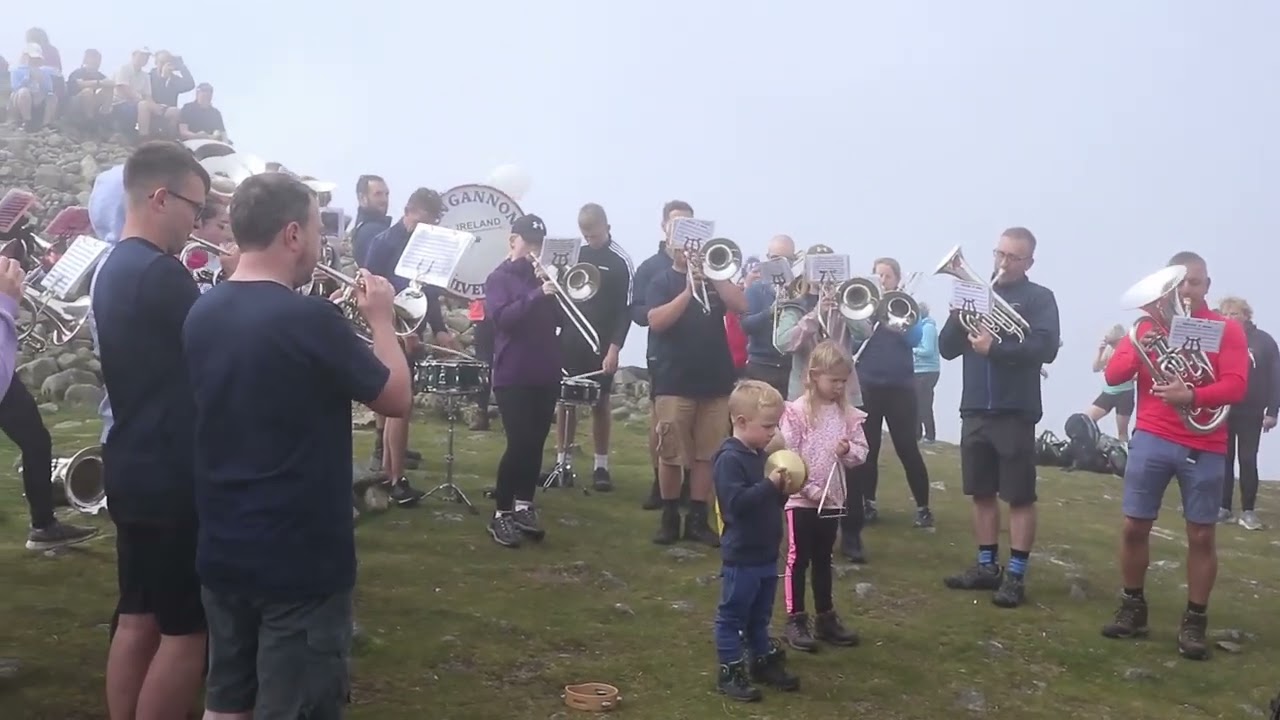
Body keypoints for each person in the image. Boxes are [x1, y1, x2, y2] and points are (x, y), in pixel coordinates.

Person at [183, 171, 412, 716]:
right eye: (315, 229)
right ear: (291, 235)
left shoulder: (202, 312)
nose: (319, 243)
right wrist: (381, 319)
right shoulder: (310, 318)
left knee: (226, 700)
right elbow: (396, 397)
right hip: (300, 558)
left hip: (223, 545)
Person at [94, 141, 211, 720]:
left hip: (131, 462)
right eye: (194, 207)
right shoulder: (163, 274)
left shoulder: (112, 266)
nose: (197, 222)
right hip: (172, 474)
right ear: (160, 197)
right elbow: (216, 359)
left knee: (138, 616)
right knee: (187, 632)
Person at [1100, 251, 1248, 659]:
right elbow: (1113, 376)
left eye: (1194, 283)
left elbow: (1236, 386)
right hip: (1152, 435)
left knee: (1201, 534)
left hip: (1205, 443)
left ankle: (1195, 621)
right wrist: (1140, 335)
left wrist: (1193, 395)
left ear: (1207, 286)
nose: (1186, 290)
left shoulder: (1227, 330)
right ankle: (1133, 607)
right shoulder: (1147, 328)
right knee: (1134, 526)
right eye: (1178, 283)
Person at [938, 227, 1060, 609]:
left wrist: (998, 348)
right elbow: (946, 349)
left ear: (1029, 262)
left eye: (1013, 257)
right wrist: (957, 318)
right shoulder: (974, 292)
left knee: (1020, 496)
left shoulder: (1039, 298)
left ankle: (1017, 575)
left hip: (1015, 409)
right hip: (975, 406)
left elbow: (1046, 348)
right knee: (981, 492)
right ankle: (986, 565)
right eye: (1000, 254)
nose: (1003, 263)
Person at [645, 220, 749, 546]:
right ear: (670, 246)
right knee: (671, 452)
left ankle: (698, 518)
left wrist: (714, 278)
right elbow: (656, 321)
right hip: (674, 380)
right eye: (682, 243)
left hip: (716, 380)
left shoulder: (715, 278)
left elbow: (742, 305)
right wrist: (688, 291)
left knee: (708, 454)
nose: (688, 249)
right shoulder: (662, 280)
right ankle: (670, 516)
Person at [774, 258, 872, 563]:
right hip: (804, 399)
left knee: (849, 470)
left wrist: (843, 307)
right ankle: (792, 532)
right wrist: (814, 316)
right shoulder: (795, 306)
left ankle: (851, 533)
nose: (824, 280)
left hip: (845, 398)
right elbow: (783, 343)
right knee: (797, 464)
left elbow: (866, 329)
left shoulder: (846, 300)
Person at [363, 188, 457, 503]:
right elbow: (370, 289)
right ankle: (395, 477)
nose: (429, 228)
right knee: (398, 405)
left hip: (412, 330)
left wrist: (440, 329)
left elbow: (427, 293)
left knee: (401, 408)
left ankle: (393, 475)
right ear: (411, 211)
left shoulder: (427, 244)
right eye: (426, 220)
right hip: (389, 331)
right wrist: (395, 331)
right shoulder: (383, 243)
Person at [712, 379, 799, 702]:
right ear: (741, 422)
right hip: (742, 556)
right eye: (767, 426)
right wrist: (768, 486)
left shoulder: (759, 456)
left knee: (760, 615)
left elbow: (765, 502)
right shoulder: (729, 459)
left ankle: (761, 662)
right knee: (733, 615)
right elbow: (735, 506)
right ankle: (730, 670)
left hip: (765, 554)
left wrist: (781, 492)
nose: (773, 432)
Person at [778, 341, 867, 652]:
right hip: (802, 500)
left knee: (823, 559)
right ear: (815, 375)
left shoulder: (848, 415)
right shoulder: (797, 412)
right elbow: (787, 457)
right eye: (834, 380)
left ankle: (826, 617)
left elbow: (861, 452)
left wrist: (848, 451)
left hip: (832, 501)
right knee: (797, 558)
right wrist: (810, 489)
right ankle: (795, 619)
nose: (840, 387)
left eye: (844, 380)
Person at [484, 214, 560, 548]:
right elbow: (504, 319)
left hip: (545, 370)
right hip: (512, 372)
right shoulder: (499, 278)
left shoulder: (542, 277)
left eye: (538, 244)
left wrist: (557, 291)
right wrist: (537, 293)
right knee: (519, 442)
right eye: (528, 242)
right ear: (513, 240)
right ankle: (501, 513)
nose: (534, 249)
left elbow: (561, 320)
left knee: (536, 441)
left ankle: (524, 505)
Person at [552, 203, 634, 492]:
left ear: (607, 228)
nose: (591, 241)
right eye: (586, 237)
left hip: (601, 344)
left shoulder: (621, 260)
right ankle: (562, 462)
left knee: (600, 402)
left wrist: (615, 348)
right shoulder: (576, 254)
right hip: (571, 339)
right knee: (565, 402)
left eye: (595, 236)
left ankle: (601, 465)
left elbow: (626, 310)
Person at [853, 258, 933, 527]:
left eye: (887, 276)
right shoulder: (865, 307)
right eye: (878, 275)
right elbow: (855, 339)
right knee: (868, 448)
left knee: (907, 447)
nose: (883, 280)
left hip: (900, 388)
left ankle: (923, 507)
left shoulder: (906, 306)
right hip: (869, 385)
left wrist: (897, 320)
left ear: (897, 280)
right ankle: (868, 503)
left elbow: (916, 339)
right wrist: (870, 315)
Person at [630, 201, 693, 511]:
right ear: (664, 226)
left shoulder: (702, 264)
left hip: (698, 355)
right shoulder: (650, 267)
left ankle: (690, 488)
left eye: (688, 224)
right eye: (676, 223)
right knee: (662, 425)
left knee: (694, 426)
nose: (682, 230)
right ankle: (661, 484)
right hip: (663, 354)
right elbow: (638, 312)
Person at [1217, 296, 1279, 530]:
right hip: (1223, 409)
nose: (1229, 318)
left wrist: (1273, 411)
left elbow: (1276, 378)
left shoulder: (1264, 341)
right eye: (1225, 314)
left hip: (1252, 411)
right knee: (1223, 459)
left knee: (1247, 459)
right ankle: (1223, 508)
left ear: (1246, 315)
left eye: (1234, 314)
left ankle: (1248, 511)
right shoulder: (1218, 339)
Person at [740, 235, 798, 396]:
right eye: (775, 258)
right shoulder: (756, 289)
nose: (780, 264)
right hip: (761, 367)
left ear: (794, 260)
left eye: (787, 259)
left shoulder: (800, 291)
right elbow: (746, 326)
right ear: (766, 259)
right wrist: (770, 312)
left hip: (791, 369)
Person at [1086, 324, 1136, 443]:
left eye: (1113, 343)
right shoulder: (1109, 349)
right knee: (1087, 419)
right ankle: (1094, 445)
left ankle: (1124, 456)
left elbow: (1137, 374)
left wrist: (1122, 374)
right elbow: (1096, 368)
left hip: (1125, 393)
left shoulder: (1130, 350)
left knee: (1122, 431)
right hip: (1108, 393)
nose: (1112, 345)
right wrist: (1101, 351)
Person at [913, 303, 940, 443]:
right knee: (916, 403)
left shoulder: (928, 328)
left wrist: (912, 350)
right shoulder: (921, 327)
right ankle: (917, 435)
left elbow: (928, 351)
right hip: (919, 370)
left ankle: (930, 436)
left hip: (927, 371)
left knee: (924, 404)